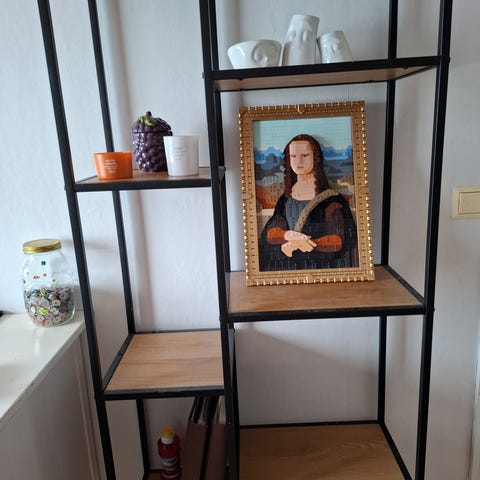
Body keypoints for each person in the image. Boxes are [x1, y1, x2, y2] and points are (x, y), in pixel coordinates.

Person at [259, 133, 358, 271]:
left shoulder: (332, 199)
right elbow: (271, 233)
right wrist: (288, 235)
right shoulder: (286, 199)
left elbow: (338, 240)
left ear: (315, 158)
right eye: (293, 156)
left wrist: (306, 243)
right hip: (289, 269)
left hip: (322, 267)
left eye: (305, 155)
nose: (298, 161)